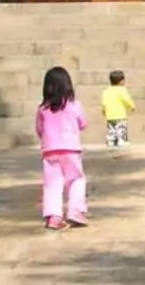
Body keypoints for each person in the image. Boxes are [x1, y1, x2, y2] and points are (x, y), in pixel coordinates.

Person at [37, 65, 89, 230]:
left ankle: (54, 216)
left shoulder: (42, 109)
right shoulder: (75, 105)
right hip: (71, 150)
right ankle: (76, 211)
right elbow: (83, 123)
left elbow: (39, 130)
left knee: (52, 184)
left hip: (50, 151)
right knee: (76, 180)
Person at [101, 69, 136, 150]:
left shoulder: (106, 91)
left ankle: (111, 141)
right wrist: (132, 106)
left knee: (111, 129)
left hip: (109, 115)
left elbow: (104, 103)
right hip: (120, 115)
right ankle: (121, 140)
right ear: (121, 81)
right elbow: (127, 99)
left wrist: (103, 111)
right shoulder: (122, 90)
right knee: (121, 129)